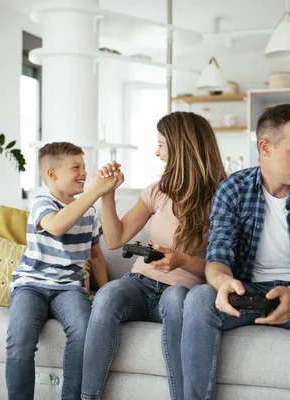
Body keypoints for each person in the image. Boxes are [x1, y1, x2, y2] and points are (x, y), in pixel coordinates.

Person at [181, 104, 290, 400]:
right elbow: (217, 258)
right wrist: (223, 282)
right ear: (265, 147)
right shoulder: (232, 189)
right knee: (198, 298)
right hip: (246, 290)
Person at [81, 112, 226, 400]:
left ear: (180, 146)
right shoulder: (157, 191)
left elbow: (225, 266)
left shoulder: (222, 197)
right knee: (108, 294)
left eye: (161, 144)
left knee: (174, 301)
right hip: (141, 282)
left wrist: (182, 261)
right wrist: (107, 194)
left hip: (182, 288)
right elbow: (115, 239)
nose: (157, 152)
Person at [6, 142, 113, 400]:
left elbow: (96, 256)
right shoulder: (41, 203)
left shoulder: (89, 212)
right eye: (75, 167)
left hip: (69, 287)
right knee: (20, 340)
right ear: (52, 174)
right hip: (31, 284)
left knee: (84, 332)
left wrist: (105, 291)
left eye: (84, 166)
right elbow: (56, 226)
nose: (84, 173)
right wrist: (95, 193)